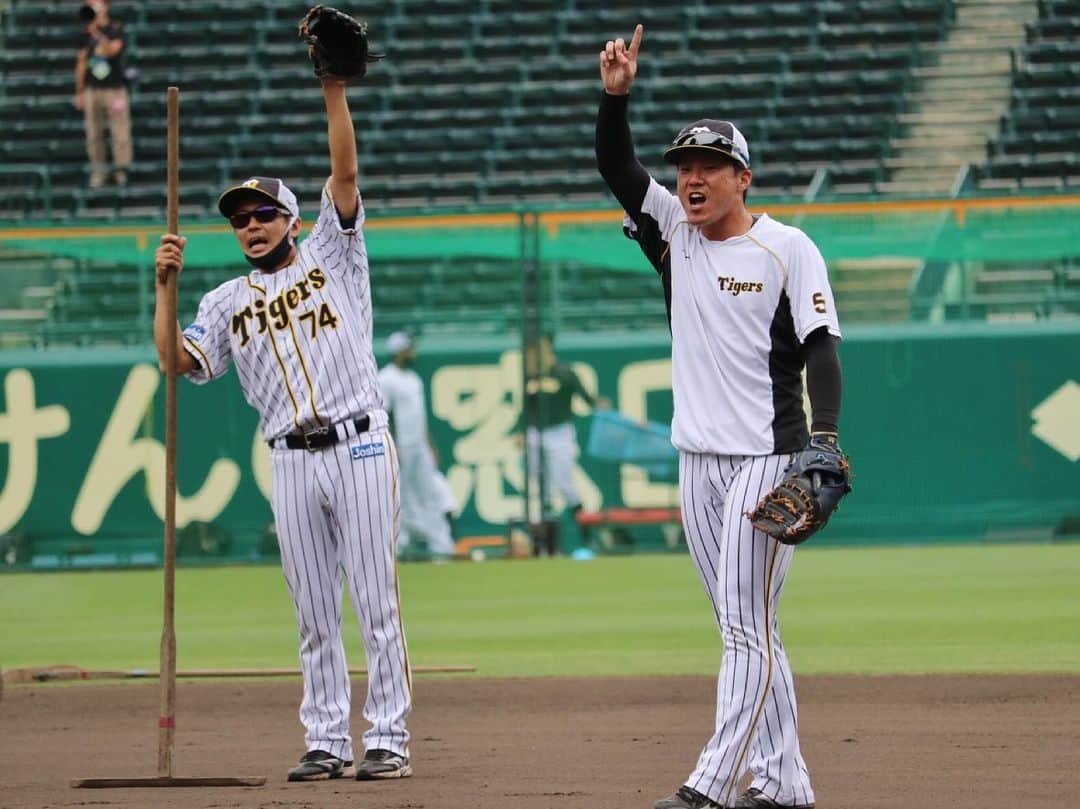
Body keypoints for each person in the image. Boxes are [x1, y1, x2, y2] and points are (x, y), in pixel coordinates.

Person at [596, 24, 843, 809]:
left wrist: (826, 440)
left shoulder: (788, 248)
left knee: (744, 627)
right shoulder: (676, 233)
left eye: (708, 167)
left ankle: (709, 786)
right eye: (685, 167)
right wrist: (615, 97)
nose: (691, 179)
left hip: (768, 459)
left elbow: (822, 348)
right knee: (749, 628)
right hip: (696, 462)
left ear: (744, 177)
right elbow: (616, 167)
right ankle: (785, 783)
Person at [153, 78, 413, 784]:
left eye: (263, 213)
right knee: (312, 609)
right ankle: (327, 738)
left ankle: (387, 736)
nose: (251, 225)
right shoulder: (223, 299)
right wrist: (164, 289)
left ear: (293, 220)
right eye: (240, 219)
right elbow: (175, 358)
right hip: (290, 457)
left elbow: (346, 173)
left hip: (359, 440)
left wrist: (333, 91)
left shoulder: (335, 253)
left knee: (374, 597)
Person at [520, 332, 609, 556]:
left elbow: (588, 400)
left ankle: (587, 540)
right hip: (535, 433)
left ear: (549, 349)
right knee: (542, 489)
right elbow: (526, 410)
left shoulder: (565, 373)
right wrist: (520, 431)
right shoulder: (530, 377)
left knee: (566, 485)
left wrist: (601, 405)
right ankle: (550, 547)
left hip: (560, 433)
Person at [378, 331, 456, 561]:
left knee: (430, 492)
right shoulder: (386, 378)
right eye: (409, 348)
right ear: (399, 351)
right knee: (397, 496)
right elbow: (385, 414)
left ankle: (441, 545)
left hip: (419, 445)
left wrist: (429, 443)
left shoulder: (414, 378)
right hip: (401, 445)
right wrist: (393, 445)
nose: (413, 352)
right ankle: (399, 545)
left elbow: (419, 416)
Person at [73, 0, 132, 188]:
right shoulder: (84, 34)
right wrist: (79, 91)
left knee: (120, 132)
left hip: (115, 89)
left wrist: (96, 33)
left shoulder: (115, 29)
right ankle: (98, 172)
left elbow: (113, 50)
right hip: (93, 89)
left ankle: (121, 171)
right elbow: (81, 62)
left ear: (105, 6)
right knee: (93, 134)